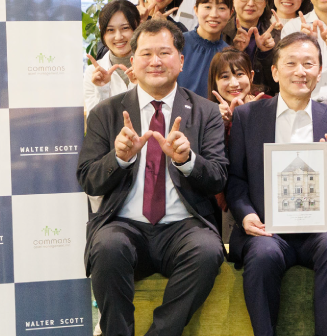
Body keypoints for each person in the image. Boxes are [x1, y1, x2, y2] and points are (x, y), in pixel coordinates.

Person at [77, 18, 228, 336]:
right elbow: (88, 178)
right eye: (146, 54)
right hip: (125, 224)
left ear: (181, 60)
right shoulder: (107, 112)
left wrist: (187, 161)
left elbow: (218, 177)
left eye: (164, 52)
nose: (155, 61)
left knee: (207, 250)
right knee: (107, 247)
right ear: (132, 62)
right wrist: (119, 158)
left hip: (183, 227)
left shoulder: (205, 113)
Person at [225, 32, 327, 336]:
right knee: (262, 254)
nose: (300, 71)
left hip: (320, 230)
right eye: (291, 64)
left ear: (319, 72)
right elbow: (235, 179)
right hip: (267, 229)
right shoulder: (247, 117)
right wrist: (246, 215)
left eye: (308, 64)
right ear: (275, 72)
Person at [207, 48, 270, 246]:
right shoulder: (207, 113)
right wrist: (223, 126)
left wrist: (252, 118)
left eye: (239, 74)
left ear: (251, 76)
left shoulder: (268, 104)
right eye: (225, 76)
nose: (234, 83)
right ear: (215, 81)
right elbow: (212, 164)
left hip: (268, 192)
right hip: (230, 197)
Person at [225, 0, 281, 96]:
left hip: (264, 103)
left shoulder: (276, 37)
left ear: (266, 2)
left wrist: (266, 54)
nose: (250, 3)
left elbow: (279, 86)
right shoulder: (221, 32)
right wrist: (235, 51)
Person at [84, 0, 141, 116]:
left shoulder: (151, 66)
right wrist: (102, 89)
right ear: (102, 32)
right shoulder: (92, 73)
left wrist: (138, 85)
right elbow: (94, 121)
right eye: (110, 30)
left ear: (138, 27)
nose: (118, 37)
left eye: (125, 28)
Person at [178, 0, 233, 98]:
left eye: (221, 8)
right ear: (196, 10)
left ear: (230, 13)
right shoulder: (178, 43)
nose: (214, 14)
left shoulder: (229, 54)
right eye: (207, 7)